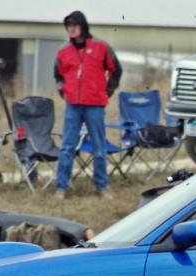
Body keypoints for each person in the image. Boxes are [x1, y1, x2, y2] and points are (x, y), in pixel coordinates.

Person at [54, 10, 122, 200]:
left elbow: (116, 70)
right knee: (67, 146)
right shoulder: (63, 52)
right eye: (69, 26)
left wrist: (106, 91)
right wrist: (64, 91)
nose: (72, 29)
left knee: (99, 146)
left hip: (95, 105)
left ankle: (102, 186)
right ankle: (62, 187)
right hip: (73, 105)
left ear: (83, 26)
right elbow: (58, 76)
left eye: (75, 25)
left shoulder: (101, 47)